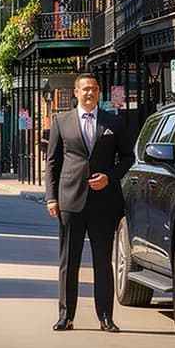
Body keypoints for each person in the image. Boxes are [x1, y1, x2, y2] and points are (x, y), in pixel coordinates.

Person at [44, 72, 132, 332]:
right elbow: (52, 162)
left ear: (99, 92)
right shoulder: (61, 122)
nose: (90, 93)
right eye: (85, 89)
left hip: (104, 202)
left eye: (94, 89)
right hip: (70, 200)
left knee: (103, 262)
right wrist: (51, 197)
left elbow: (128, 158)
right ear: (76, 92)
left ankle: (105, 317)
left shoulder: (113, 122)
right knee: (68, 262)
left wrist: (109, 177)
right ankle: (65, 316)